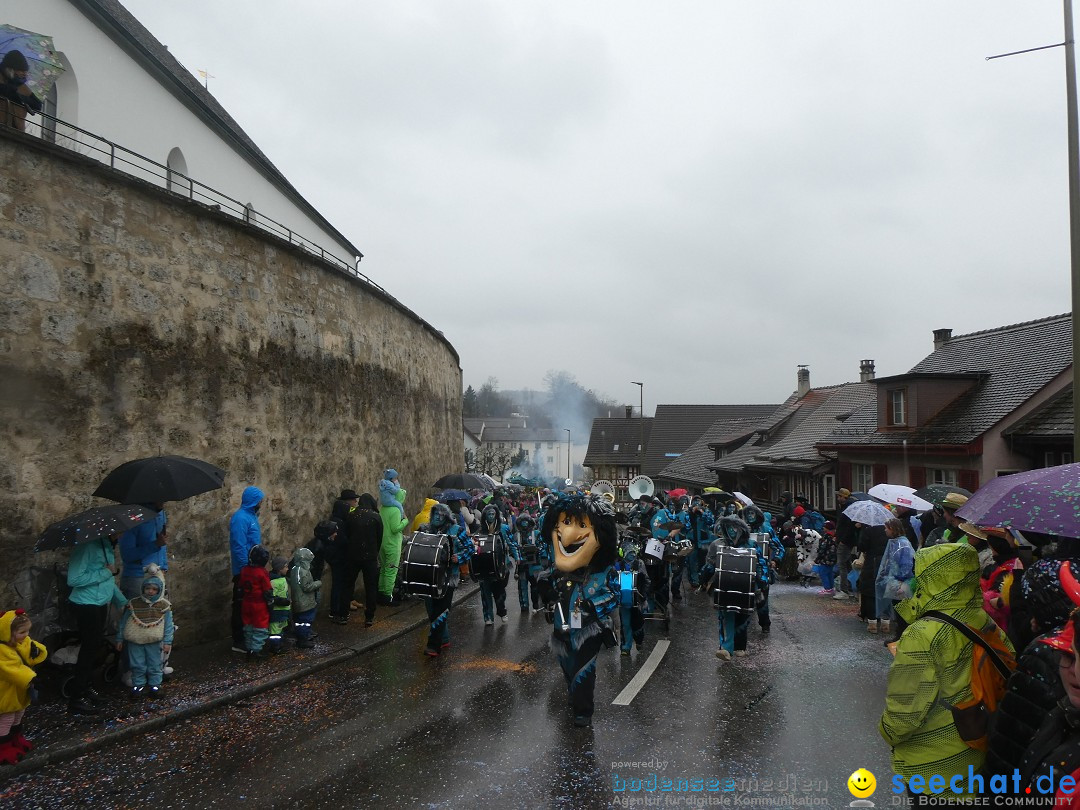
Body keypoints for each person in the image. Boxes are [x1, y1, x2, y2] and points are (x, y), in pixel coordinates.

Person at [879, 543, 1012, 805]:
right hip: (978, 751)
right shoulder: (983, 620)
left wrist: (887, 732)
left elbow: (905, 710)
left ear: (932, 578)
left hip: (935, 767)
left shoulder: (923, 634)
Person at [984, 559, 1080, 787]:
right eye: (1069, 657)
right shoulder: (1064, 715)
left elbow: (1008, 740)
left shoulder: (1040, 655)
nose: (1076, 671)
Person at [536, 494, 619, 727]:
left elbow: (615, 595)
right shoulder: (560, 569)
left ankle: (584, 711)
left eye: (582, 525)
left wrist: (594, 605)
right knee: (567, 665)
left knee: (584, 668)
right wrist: (546, 588)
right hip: (562, 622)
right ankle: (574, 695)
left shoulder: (605, 572)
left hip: (589, 627)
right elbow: (550, 585)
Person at [66, 534, 127, 715]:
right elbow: (74, 579)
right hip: (86, 604)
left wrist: (122, 601)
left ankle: (86, 687)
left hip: (99, 603)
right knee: (89, 648)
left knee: (95, 647)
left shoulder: (106, 545)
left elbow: (108, 580)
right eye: (118, 532)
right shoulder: (86, 547)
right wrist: (106, 571)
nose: (121, 535)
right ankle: (76, 698)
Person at [702, 515, 761, 661]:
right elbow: (709, 564)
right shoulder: (717, 544)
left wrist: (763, 581)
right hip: (724, 585)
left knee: (742, 616)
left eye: (734, 527)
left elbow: (761, 565)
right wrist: (702, 578)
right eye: (728, 528)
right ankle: (726, 649)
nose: (732, 531)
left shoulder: (751, 545)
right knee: (726, 616)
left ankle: (740, 646)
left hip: (746, 586)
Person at [419, 504, 474, 657]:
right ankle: (444, 638)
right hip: (429, 576)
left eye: (442, 515)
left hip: (449, 578)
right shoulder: (426, 530)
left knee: (441, 610)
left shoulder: (457, 530)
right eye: (435, 514)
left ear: (447, 517)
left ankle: (433, 646)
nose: (438, 517)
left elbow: (470, 548)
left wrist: (459, 558)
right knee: (431, 610)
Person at [114, 566, 173, 695]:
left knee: (154, 663)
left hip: (153, 639)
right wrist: (119, 638)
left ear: (159, 590)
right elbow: (124, 622)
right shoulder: (134, 604)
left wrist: (167, 642)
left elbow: (168, 625)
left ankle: (155, 685)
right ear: (142, 588)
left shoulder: (163, 606)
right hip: (135, 639)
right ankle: (138, 685)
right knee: (137, 664)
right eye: (147, 588)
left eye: (154, 589)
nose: (150, 591)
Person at [0, 610, 46, 765]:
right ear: (8, 633)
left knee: (19, 714)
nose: (26, 635)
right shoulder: (2, 650)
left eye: (28, 631)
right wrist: (31, 678)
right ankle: (4, 748)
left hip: (19, 690)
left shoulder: (21, 641)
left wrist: (37, 650)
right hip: (6, 692)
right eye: (22, 632)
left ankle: (16, 739)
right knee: (7, 719)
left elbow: (30, 650)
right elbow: (12, 670)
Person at [229, 486, 264, 653]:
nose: (261, 504)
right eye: (260, 501)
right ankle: (239, 640)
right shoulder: (241, 518)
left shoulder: (250, 516)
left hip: (252, 568)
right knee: (240, 604)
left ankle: (249, 637)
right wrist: (244, 570)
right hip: (244, 571)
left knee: (250, 604)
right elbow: (239, 545)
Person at [344, 494, 383, 628]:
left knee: (348, 584)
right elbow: (379, 538)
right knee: (371, 587)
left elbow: (347, 534)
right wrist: (374, 552)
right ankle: (369, 616)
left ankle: (343, 614)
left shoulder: (352, 515)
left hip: (352, 556)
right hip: (370, 557)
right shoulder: (375, 517)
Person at [476, 503, 516, 626]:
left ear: (497, 515)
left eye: (493, 514)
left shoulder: (503, 528)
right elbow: (474, 547)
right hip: (484, 565)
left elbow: (512, 543)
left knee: (499, 591)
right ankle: (488, 617)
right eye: (489, 514)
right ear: (484, 516)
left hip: (501, 565)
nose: (491, 516)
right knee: (485, 592)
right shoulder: (480, 530)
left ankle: (502, 611)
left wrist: (517, 557)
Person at [876, 518, 915, 640]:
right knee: (899, 612)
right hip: (896, 581)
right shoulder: (898, 542)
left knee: (901, 612)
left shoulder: (902, 544)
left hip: (900, 583)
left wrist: (899, 579)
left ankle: (900, 638)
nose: (885, 530)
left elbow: (906, 564)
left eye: (886, 527)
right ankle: (899, 637)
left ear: (892, 529)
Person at [610, 541, 650, 656]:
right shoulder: (618, 565)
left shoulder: (639, 564)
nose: (632, 554)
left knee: (637, 622)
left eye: (633, 552)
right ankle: (626, 646)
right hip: (623, 601)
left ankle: (639, 640)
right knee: (625, 623)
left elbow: (646, 580)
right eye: (629, 552)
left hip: (638, 599)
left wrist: (643, 595)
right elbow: (612, 581)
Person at [328, 489, 360, 624]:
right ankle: (335, 610)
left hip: (335, 557)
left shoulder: (335, 521)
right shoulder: (339, 523)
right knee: (339, 583)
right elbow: (343, 541)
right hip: (339, 557)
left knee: (338, 583)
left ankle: (339, 607)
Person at [378, 473, 409, 606]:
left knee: (384, 569)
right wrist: (405, 521)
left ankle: (380, 592)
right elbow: (396, 528)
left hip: (382, 543)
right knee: (392, 569)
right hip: (392, 544)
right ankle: (387, 596)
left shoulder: (382, 508)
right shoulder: (396, 510)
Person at [238, 544, 273, 659]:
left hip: (246, 602)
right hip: (259, 604)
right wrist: (271, 603)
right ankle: (255, 650)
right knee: (260, 627)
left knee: (248, 626)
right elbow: (267, 590)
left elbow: (240, 587)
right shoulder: (262, 572)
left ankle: (249, 648)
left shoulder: (244, 570)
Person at [289, 545, 322, 650]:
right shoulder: (303, 571)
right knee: (305, 621)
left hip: (298, 601)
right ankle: (303, 639)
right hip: (305, 602)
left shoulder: (295, 569)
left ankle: (301, 636)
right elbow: (306, 587)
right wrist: (317, 583)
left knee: (299, 621)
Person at [0, 51, 42, 132]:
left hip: (17, 130)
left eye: (25, 71)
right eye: (21, 70)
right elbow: (6, 90)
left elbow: (37, 104)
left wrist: (22, 99)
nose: (25, 74)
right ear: (11, 69)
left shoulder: (20, 85)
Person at [266, 556, 291, 654]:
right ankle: (275, 648)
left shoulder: (281, 578)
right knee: (275, 631)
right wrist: (285, 601)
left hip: (283, 610)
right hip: (276, 611)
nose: (287, 569)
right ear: (280, 569)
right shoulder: (273, 582)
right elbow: (272, 597)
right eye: (286, 567)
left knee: (279, 629)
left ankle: (279, 645)